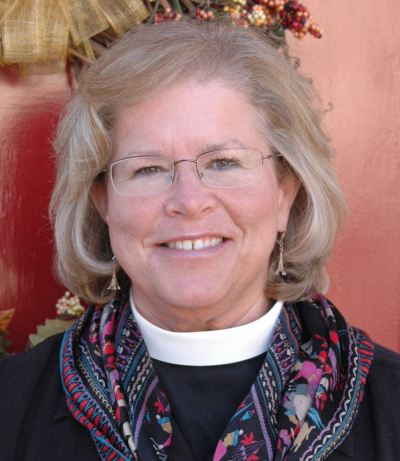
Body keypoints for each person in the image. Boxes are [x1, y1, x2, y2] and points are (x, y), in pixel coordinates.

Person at [0, 20, 399, 461]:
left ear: (286, 190)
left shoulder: (391, 407)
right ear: (102, 202)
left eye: (224, 162)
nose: (189, 202)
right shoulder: (10, 406)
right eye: (148, 169)